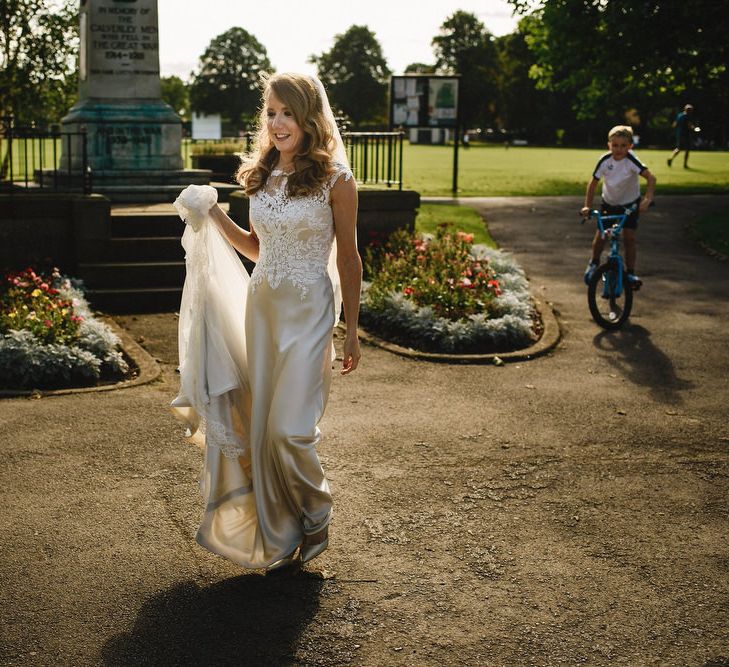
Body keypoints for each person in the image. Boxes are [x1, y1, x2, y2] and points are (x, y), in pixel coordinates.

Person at [171, 72, 361, 572]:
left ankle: (317, 511)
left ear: (309, 118)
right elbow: (257, 248)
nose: (277, 123)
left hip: (309, 309)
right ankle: (285, 525)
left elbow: (349, 259)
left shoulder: (337, 180)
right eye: (271, 112)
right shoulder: (263, 174)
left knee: (288, 429)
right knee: (262, 423)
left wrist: (354, 331)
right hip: (264, 305)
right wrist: (212, 215)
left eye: (288, 113)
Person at [581, 125, 656, 288]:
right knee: (601, 235)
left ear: (630, 146)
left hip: (630, 205)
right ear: (609, 145)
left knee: (629, 238)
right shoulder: (604, 160)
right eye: (615, 145)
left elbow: (651, 178)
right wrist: (587, 206)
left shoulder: (631, 160)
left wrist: (647, 199)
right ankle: (593, 263)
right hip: (609, 203)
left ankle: (630, 273)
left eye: (623, 146)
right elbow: (593, 184)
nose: (619, 149)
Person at [667, 104, 695, 168]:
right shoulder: (687, 116)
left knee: (678, 148)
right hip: (686, 135)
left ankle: (671, 158)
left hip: (679, 134)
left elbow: (674, 125)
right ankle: (685, 164)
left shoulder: (680, 115)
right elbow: (689, 125)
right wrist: (694, 128)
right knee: (687, 149)